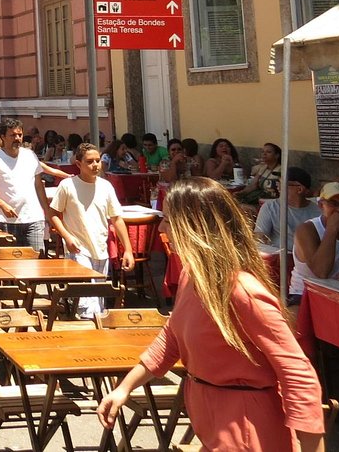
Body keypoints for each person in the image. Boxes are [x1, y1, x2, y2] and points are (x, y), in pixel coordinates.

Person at [98, 178, 324, 452]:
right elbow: (171, 338)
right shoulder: (192, 275)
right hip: (211, 419)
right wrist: (124, 388)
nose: (162, 228)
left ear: (194, 226)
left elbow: (297, 373)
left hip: (245, 430)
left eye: (168, 220)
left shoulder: (242, 291)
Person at [48, 143, 134, 319]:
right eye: (89, 161)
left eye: (97, 160)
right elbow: (53, 214)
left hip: (100, 250)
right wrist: (67, 237)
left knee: (98, 301)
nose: (95, 165)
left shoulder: (106, 186)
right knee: (87, 304)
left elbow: (116, 219)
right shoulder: (67, 186)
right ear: (78, 164)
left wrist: (128, 250)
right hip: (78, 250)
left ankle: (94, 329)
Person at [0, 118, 49, 251]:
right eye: (13, 135)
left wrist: (47, 212)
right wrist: (3, 206)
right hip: (5, 220)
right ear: (3, 137)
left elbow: (39, 186)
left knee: (36, 260)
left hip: (33, 218)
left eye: (19, 135)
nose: (17, 138)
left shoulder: (30, 155)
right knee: (8, 260)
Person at [291, 181, 339, 299]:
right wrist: (332, 229)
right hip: (306, 295)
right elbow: (321, 272)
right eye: (333, 204)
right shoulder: (307, 229)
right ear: (321, 205)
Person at [254, 167, 317, 249]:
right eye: (278, 182)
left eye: (282, 183)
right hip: (278, 254)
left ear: (299, 189)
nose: (277, 186)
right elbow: (259, 237)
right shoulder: (270, 207)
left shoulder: (318, 212)